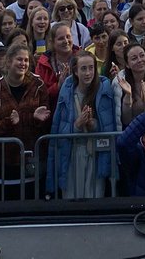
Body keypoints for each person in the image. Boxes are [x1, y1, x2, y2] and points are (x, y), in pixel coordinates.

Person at [0, 42, 51, 197]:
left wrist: (35, 119)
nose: (23, 63)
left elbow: (45, 123)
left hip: (32, 159)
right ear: (9, 61)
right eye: (19, 59)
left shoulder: (38, 85)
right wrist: (8, 123)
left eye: (26, 60)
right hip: (4, 162)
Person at [46, 51, 116, 199]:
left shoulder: (104, 89)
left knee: (95, 196)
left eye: (91, 68)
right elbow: (58, 126)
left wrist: (92, 124)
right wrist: (77, 125)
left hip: (95, 153)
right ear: (76, 71)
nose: (88, 73)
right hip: (73, 152)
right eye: (83, 68)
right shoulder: (67, 90)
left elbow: (109, 126)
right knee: (72, 196)